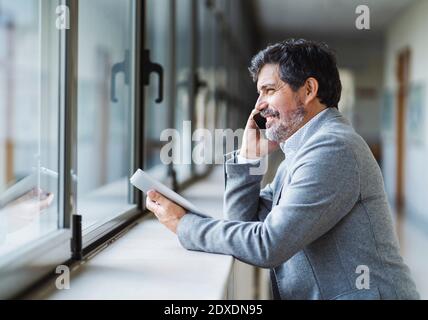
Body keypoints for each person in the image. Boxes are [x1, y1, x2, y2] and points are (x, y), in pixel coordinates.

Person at [145, 39, 419, 300]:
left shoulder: (334, 149)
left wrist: (184, 225)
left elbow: (268, 245)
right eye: (259, 93)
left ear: (309, 90)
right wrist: (248, 158)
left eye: (269, 90)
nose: (259, 105)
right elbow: (242, 224)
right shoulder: (301, 152)